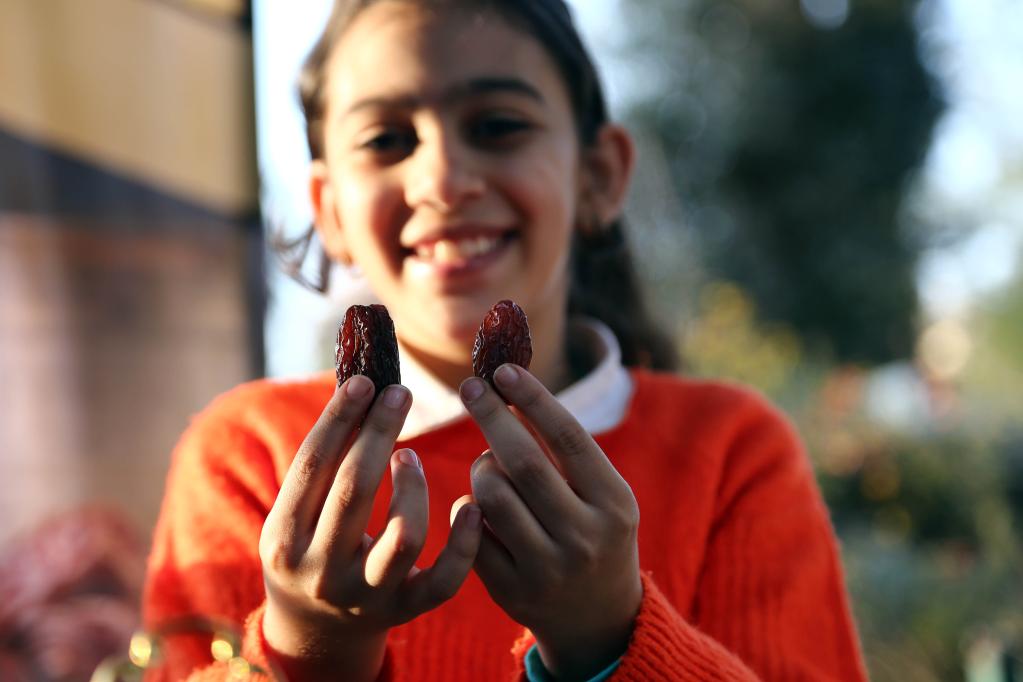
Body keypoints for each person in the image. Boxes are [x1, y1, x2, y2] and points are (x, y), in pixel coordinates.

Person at [143, 1, 869, 680]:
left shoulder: (731, 454)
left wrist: (609, 634)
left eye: (496, 126)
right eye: (386, 140)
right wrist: (307, 643)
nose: (443, 179)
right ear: (328, 210)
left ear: (599, 176)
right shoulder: (248, 458)